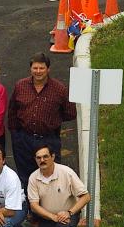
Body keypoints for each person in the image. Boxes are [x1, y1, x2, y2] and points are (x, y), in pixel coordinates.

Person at [8, 53, 77, 185]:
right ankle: (29, 205)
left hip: (49, 140)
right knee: (26, 179)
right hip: (24, 140)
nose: (38, 71)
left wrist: (52, 120)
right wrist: (16, 136)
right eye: (35, 68)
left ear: (48, 69)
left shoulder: (59, 89)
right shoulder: (20, 86)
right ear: (30, 69)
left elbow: (70, 113)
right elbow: (12, 111)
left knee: (51, 177)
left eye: (41, 68)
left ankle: (50, 205)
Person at [27, 145, 90, 227]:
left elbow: (86, 196)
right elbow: (34, 206)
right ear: (35, 160)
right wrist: (53, 217)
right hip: (47, 217)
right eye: (38, 157)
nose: (42, 160)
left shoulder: (66, 172)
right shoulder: (33, 177)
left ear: (53, 157)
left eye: (45, 156)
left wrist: (69, 212)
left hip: (68, 214)